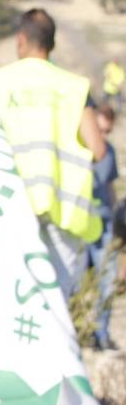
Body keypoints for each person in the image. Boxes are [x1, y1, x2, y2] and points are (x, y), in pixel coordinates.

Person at [0, 9, 107, 297]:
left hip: (6, 205)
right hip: (63, 211)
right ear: (52, 44)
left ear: (21, 40)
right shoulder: (75, 87)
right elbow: (98, 150)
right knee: (55, 303)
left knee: (8, 295)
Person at [88, 104, 118, 347]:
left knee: (106, 280)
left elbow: (109, 185)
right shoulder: (77, 150)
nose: (104, 137)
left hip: (104, 221)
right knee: (75, 284)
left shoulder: (110, 152)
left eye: (107, 132)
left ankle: (102, 336)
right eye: (100, 131)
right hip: (80, 223)